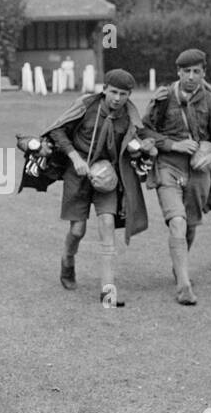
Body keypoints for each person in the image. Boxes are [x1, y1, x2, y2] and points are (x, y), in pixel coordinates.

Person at [43, 69, 152, 308]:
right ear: (104, 89)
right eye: (113, 92)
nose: (117, 98)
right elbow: (57, 130)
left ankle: (108, 292)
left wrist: (142, 146)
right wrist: (75, 159)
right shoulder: (85, 106)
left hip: (108, 178)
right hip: (78, 173)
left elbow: (142, 138)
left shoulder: (129, 117)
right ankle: (68, 260)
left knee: (107, 226)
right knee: (78, 231)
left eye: (124, 94)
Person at [138, 50, 211, 306]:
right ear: (178, 72)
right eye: (186, 72)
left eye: (197, 72)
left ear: (203, 74)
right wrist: (172, 144)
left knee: (190, 225)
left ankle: (178, 266)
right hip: (168, 167)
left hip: (199, 172)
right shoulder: (163, 98)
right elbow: (143, 130)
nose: (191, 77)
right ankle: (184, 286)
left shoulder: (210, 103)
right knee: (177, 222)